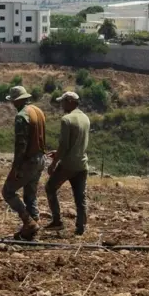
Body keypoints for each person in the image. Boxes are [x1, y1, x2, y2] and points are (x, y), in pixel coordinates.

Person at [2, 86, 47, 240]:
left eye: (13, 101)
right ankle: (34, 226)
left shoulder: (22, 116)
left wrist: (16, 167)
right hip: (41, 158)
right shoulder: (38, 111)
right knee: (30, 194)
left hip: (29, 160)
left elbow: (21, 145)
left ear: (17, 100)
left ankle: (28, 222)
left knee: (8, 191)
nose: (13, 104)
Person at [45, 91, 90, 236]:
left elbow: (64, 145)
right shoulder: (85, 118)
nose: (61, 105)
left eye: (63, 102)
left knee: (50, 187)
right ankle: (80, 227)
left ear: (70, 101)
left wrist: (53, 163)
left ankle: (57, 221)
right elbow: (74, 144)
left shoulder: (67, 119)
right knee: (80, 197)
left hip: (68, 165)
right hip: (82, 164)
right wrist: (57, 152)